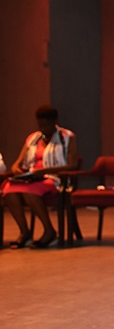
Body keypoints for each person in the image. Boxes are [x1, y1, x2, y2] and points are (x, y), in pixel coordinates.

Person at [2, 105, 79, 249]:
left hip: (55, 178)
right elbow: (17, 163)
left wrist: (45, 171)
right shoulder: (33, 138)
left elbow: (72, 164)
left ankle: (49, 231)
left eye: (46, 125)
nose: (43, 129)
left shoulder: (67, 137)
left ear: (54, 121)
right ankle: (24, 232)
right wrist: (17, 170)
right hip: (32, 177)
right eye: (40, 125)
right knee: (8, 189)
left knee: (30, 191)